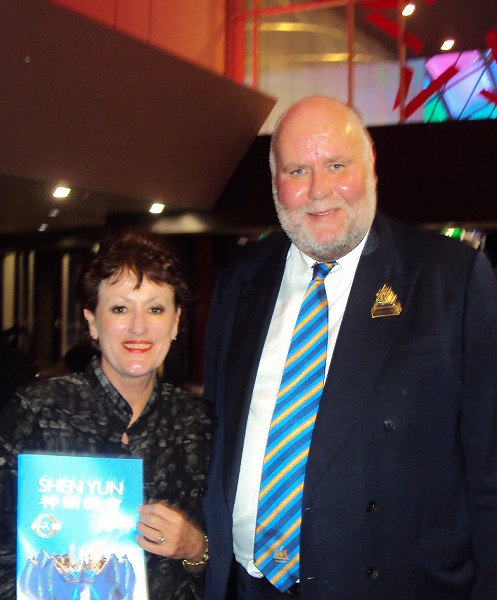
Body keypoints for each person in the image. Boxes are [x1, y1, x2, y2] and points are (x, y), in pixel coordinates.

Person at [202, 96, 497, 599]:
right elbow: (216, 437)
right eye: (297, 170)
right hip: (249, 587)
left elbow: (490, 470)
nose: (318, 190)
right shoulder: (239, 283)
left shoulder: (453, 279)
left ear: (371, 165)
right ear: (275, 181)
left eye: (336, 165)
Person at [0, 230, 214, 600]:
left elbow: (230, 559)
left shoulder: (199, 423)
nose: (139, 326)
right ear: (92, 321)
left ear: (175, 322)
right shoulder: (38, 410)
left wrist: (196, 548)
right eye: (120, 308)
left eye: (155, 309)